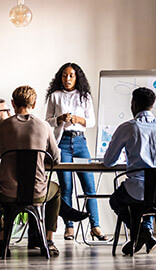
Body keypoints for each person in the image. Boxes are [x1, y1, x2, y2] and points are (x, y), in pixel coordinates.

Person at [0, 85, 62, 256]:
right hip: (37, 193)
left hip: (7, 193)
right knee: (56, 191)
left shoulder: (3, 126)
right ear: (34, 104)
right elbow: (56, 159)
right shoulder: (44, 126)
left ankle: (1, 240)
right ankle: (48, 241)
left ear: (12, 103)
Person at [104, 87, 156, 255]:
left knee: (116, 200)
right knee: (150, 200)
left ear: (134, 104)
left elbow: (108, 162)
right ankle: (146, 232)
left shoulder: (127, 128)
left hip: (135, 190)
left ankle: (140, 230)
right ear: (152, 106)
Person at [45, 62, 106, 241]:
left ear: (77, 77)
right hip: (62, 143)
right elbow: (47, 120)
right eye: (64, 75)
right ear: (60, 77)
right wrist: (60, 119)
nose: (68, 79)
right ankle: (69, 227)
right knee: (66, 187)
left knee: (89, 186)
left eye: (71, 75)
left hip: (80, 142)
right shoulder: (54, 96)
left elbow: (92, 122)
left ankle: (95, 226)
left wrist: (77, 119)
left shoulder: (84, 96)